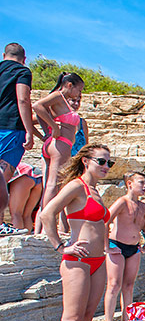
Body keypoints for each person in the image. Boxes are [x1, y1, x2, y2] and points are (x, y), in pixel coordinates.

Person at [40, 144, 113, 321]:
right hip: (77, 261)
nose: (106, 167)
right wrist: (61, 246)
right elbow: (46, 213)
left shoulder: (95, 191)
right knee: (70, 318)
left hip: (98, 261)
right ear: (86, 161)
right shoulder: (76, 186)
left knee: (87, 317)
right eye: (101, 161)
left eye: (108, 163)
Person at [33, 72, 85, 234]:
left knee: (52, 185)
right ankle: (46, 227)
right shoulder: (58, 96)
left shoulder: (60, 101)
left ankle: (40, 228)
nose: (79, 94)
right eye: (79, 89)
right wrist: (54, 128)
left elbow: (40, 112)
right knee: (53, 185)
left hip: (55, 144)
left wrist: (47, 131)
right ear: (70, 85)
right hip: (61, 144)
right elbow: (36, 106)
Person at [104, 171, 145, 321]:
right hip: (116, 245)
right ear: (130, 184)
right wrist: (106, 246)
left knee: (129, 285)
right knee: (114, 285)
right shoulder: (122, 202)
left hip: (133, 248)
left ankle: (126, 320)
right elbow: (106, 221)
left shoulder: (143, 207)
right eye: (141, 183)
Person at [0, 43, 36, 235]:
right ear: (24, 58)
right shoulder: (21, 71)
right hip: (11, 127)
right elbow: (23, 99)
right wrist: (29, 130)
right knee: (2, 175)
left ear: (4, 55)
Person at [5, 162, 42, 232]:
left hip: (23, 175)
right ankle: (27, 240)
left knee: (16, 214)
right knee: (27, 215)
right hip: (37, 176)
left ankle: (17, 240)